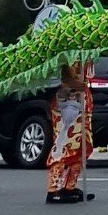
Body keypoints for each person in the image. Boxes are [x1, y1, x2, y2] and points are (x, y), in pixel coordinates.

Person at [44, 56, 94, 204]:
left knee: (80, 146)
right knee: (64, 145)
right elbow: (65, 77)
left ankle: (70, 186)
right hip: (67, 102)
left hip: (82, 102)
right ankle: (54, 188)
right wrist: (76, 84)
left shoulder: (86, 53)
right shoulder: (66, 53)